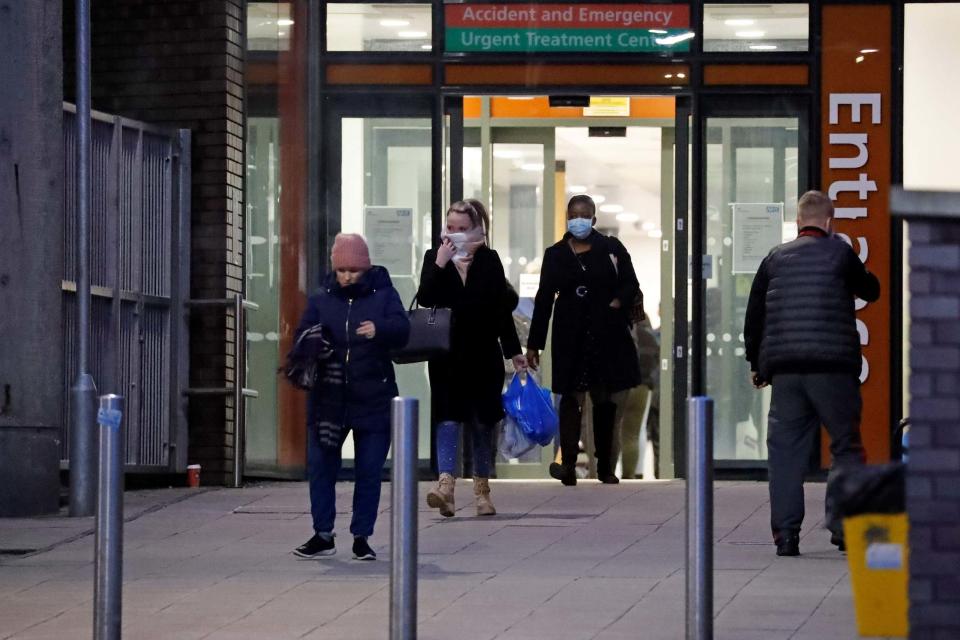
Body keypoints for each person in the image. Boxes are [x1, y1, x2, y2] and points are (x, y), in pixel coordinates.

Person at [743, 190, 880, 557]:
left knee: (785, 453)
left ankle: (786, 536)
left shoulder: (775, 258)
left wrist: (757, 364)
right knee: (846, 446)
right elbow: (873, 290)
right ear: (830, 221)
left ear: (798, 221)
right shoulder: (840, 253)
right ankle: (843, 529)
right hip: (833, 369)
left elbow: (755, 315)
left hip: (787, 371)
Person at [291, 233, 410, 561]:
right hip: (329, 398)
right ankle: (323, 533)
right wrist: (314, 342)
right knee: (321, 466)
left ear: (365, 268)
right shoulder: (322, 298)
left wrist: (379, 330)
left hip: (373, 394)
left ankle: (361, 536)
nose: (346, 277)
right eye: (341, 270)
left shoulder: (383, 294)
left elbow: (403, 331)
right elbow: (300, 334)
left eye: (353, 271)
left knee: (369, 469)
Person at [417, 200, 526, 517]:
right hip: (446, 356)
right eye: (450, 228)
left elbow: (500, 312)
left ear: (477, 229)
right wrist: (439, 263)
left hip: (483, 355)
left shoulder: (489, 261)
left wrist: (514, 352)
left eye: (462, 229)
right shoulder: (435, 257)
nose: (455, 234)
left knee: (482, 422)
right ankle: (446, 487)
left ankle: (482, 490)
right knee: (448, 419)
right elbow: (425, 297)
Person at [526, 194, 641, 485]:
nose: (578, 220)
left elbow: (631, 285)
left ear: (593, 219)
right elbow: (543, 301)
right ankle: (567, 465)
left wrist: (615, 304)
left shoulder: (611, 249)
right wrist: (534, 343)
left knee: (604, 402)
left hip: (607, 337)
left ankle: (605, 466)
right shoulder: (556, 255)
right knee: (569, 400)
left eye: (584, 215)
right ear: (568, 217)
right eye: (573, 214)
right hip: (570, 338)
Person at [614, 294, 660, 479]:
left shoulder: (617, 332)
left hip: (621, 386)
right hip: (642, 388)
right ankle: (629, 475)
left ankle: (608, 471)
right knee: (632, 434)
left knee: (613, 429)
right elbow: (654, 363)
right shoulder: (649, 336)